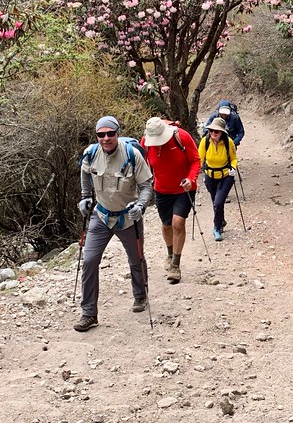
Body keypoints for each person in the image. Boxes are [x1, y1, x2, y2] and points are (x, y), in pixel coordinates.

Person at [75, 116, 153, 332]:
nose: (106, 138)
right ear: (97, 136)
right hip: (100, 216)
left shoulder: (132, 154)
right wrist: (84, 196)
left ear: (118, 133)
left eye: (110, 133)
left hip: (128, 218)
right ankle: (89, 313)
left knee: (136, 258)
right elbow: (85, 173)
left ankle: (140, 295)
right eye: (101, 134)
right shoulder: (90, 154)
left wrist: (141, 205)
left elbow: (146, 185)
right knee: (89, 261)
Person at [141, 116, 201, 284]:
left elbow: (196, 160)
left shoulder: (181, 136)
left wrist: (191, 179)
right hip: (161, 190)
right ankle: (169, 253)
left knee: (177, 222)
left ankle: (175, 264)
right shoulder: (145, 141)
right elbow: (143, 164)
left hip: (184, 188)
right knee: (166, 224)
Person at [198, 116, 238, 241]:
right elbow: (199, 160)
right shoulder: (205, 142)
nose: (213, 133)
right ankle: (221, 221)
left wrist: (233, 168)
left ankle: (216, 228)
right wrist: (194, 176)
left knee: (218, 202)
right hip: (210, 177)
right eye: (211, 131)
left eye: (216, 131)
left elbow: (234, 159)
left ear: (222, 132)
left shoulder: (228, 142)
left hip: (226, 176)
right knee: (216, 204)